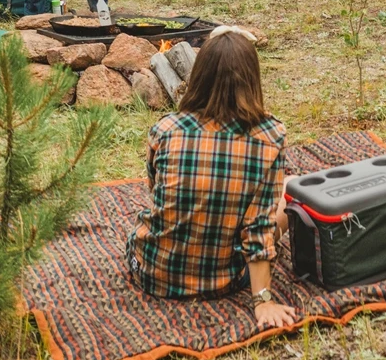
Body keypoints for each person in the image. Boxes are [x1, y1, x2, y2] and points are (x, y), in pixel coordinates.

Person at [126, 25, 297, 330]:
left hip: (151, 273)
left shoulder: (165, 130)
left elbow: (156, 193)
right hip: (223, 279)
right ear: (252, 78)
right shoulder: (271, 137)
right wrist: (263, 300)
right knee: (291, 190)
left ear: (199, 75)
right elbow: (258, 228)